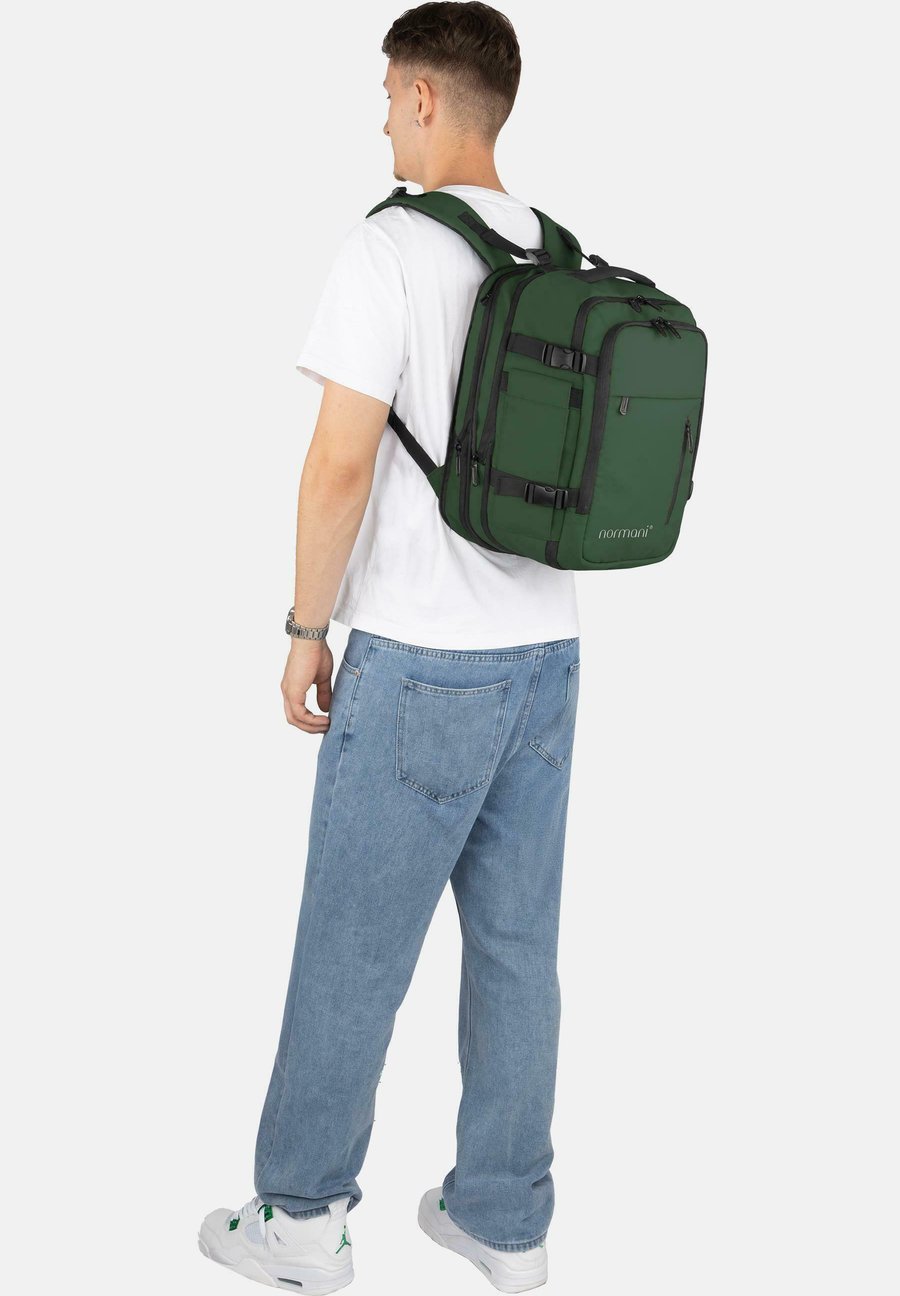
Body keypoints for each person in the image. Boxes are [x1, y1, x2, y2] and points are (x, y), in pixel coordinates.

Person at [198, 4, 580, 1291]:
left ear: (424, 96)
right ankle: (505, 1219)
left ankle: (301, 1220)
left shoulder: (389, 247)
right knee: (518, 949)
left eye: (385, 96)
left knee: (353, 950)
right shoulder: (561, 251)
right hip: (547, 654)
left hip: (419, 658)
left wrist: (307, 629)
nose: (380, 122)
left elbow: (340, 466)